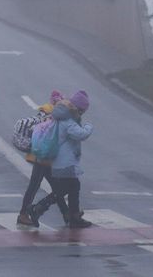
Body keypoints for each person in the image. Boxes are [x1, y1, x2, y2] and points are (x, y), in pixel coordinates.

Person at [28, 90, 94, 229]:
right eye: (81, 110)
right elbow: (81, 134)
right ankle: (38, 208)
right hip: (64, 162)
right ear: (76, 108)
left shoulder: (64, 117)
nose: (82, 113)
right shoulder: (67, 121)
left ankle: (73, 216)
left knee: (72, 187)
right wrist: (89, 126)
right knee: (64, 189)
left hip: (62, 161)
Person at [17, 91, 71, 227]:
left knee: (55, 186)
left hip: (43, 155)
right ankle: (24, 214)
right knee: (36, 185)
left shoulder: (50, 113)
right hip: (41, 156)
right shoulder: (48, 113)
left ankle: (66, 213)